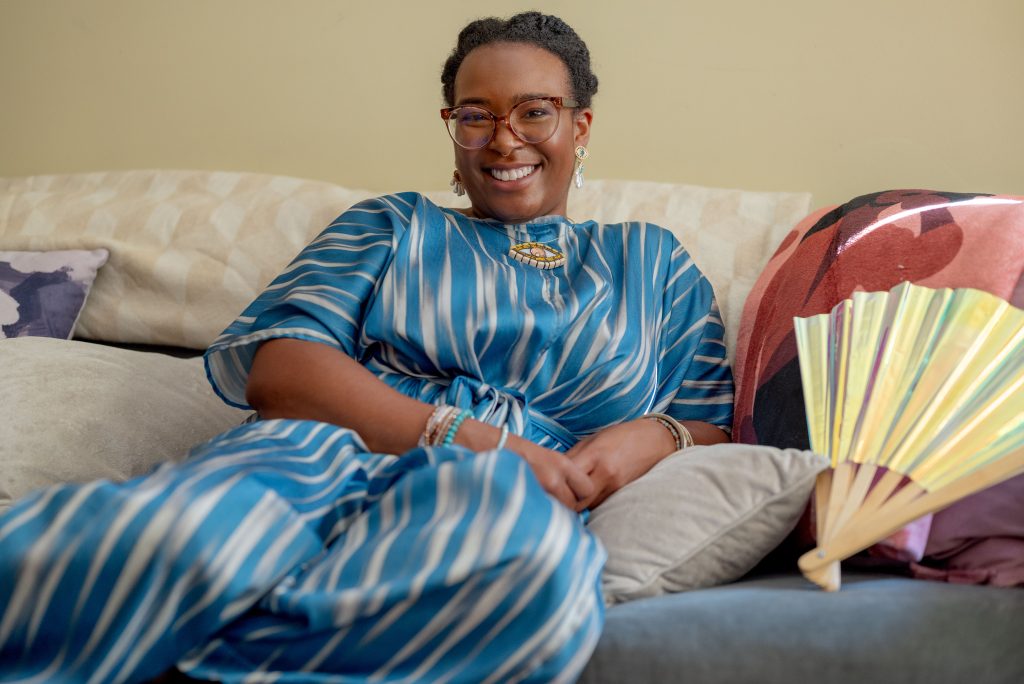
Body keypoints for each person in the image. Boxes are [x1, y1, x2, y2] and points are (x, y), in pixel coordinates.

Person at [0, 11, 732, 683]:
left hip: (514, 491)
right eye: (476, 117)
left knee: (526, 576)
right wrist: (459, 432)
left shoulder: (655, 263)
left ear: (580, 125)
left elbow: (713, 425)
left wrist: (657, 433)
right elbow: (283, 367)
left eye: (535, 111)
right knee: (188, 541)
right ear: (452, 128)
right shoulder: (392, 225)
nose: (505, 138)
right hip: (324, 449)